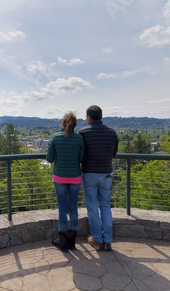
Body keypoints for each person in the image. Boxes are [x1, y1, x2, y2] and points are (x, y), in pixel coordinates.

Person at [78, 105, 118, 252]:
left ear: (89, 117)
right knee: (106, 206)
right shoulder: (112, 133)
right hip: (106, 174)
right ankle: (107, 241)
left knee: (92, 208)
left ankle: (97, 239)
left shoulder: (83, 132)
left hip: (89, 174)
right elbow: (113, 153)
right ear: (101, 116)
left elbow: (80, 153)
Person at [46, 112, 84, 251]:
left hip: (60, 177)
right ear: (74, 125)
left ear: (63, 123)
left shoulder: (55, 137)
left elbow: (49, 158)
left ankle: (62, 242)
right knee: (73, 207)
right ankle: (72, 241)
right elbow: (81, 158)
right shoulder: (79, 139)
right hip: (75, 177)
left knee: (62, 207)